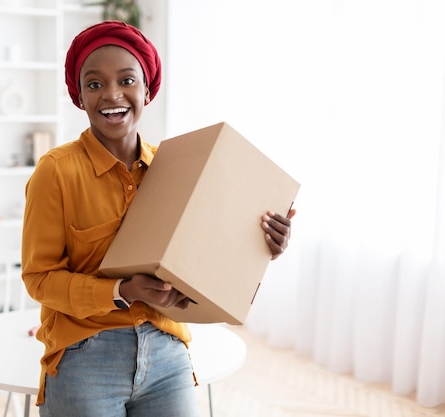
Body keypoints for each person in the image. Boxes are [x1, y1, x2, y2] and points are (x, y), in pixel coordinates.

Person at [21, 20, 296, 417]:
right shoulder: (56, 171)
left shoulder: (176, 167)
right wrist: (123, 290)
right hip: (86, 354)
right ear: (79, 96)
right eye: (94, 84)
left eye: (127, 80)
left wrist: (262, 246)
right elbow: (39, 278)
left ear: (147, 89)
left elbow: (203, 257)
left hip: (167, 352)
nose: (112, 95)